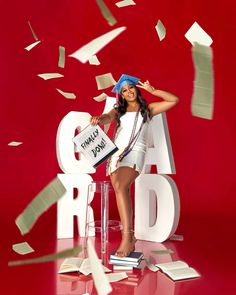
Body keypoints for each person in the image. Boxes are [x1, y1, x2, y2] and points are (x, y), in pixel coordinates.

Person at [90, 74, 179, 257]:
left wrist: (153, 90)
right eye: (124, 90)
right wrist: (99, 119)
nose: (128, 91)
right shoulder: (118, 111)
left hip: (136, 152)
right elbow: (107, 118)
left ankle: (127, 237)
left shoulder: (148, 110)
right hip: (115, 154)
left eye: (131, 87)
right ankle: (130, 237)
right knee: (120, 188)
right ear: (121, 95)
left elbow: (173, 100)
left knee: (121, 186)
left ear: (136, 89)